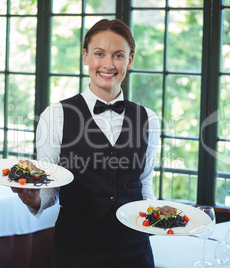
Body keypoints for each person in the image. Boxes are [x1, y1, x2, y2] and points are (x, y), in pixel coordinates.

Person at [12, 19, 160, 268]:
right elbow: (50, 186)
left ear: (130, 61)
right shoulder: (55, 115)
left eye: (118, 55)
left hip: (134, 252)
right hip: (75, 253)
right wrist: (34, 199)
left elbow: (144, 186)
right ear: (85, 56)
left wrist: (162, 219)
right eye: (99, 54)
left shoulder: (149, 119)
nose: (108, 64)